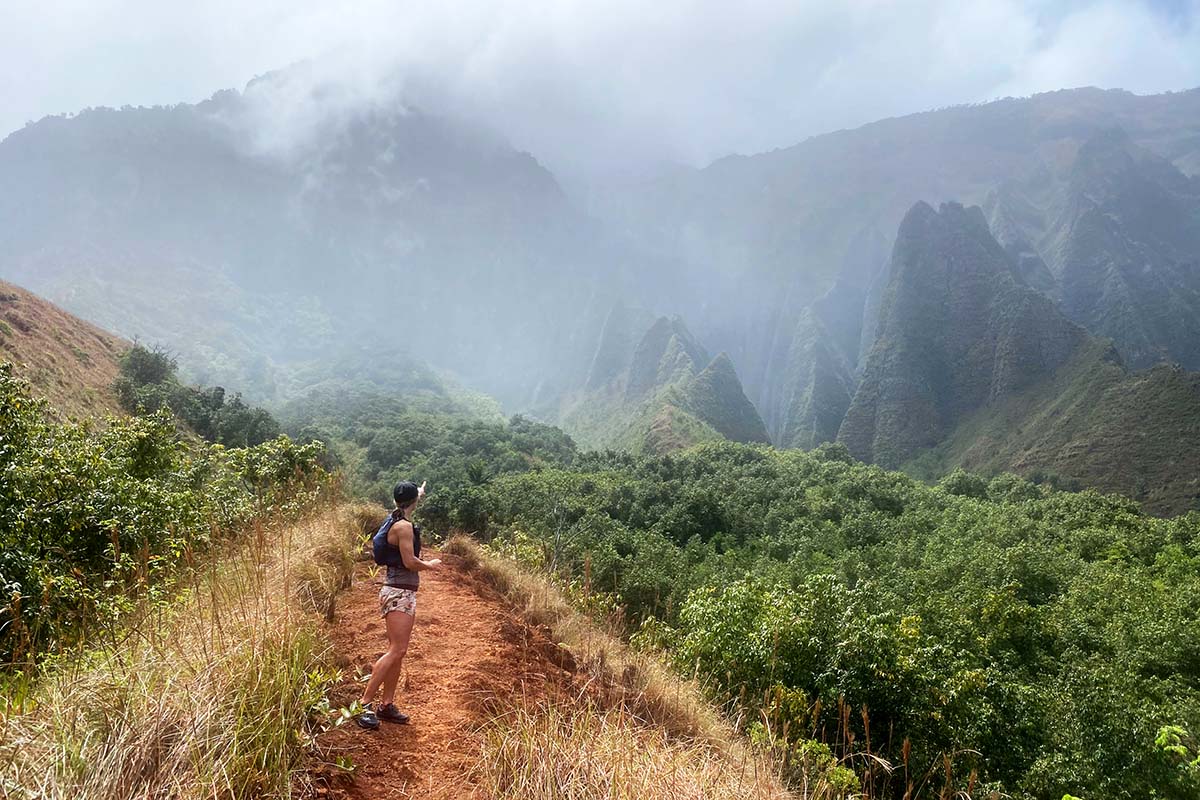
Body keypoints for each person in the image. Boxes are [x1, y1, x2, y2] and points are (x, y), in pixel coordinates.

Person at [357, 480, 442, 729]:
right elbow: (409, 561)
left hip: (400, 591)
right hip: (398, 592)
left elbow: (411, 500)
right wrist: (430, 565)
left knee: (399, 650)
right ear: (413, 501)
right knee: (396, 650)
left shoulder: (394, 516)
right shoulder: (403, 526)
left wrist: (420, 491)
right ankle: (364, 705)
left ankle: (386, 705)